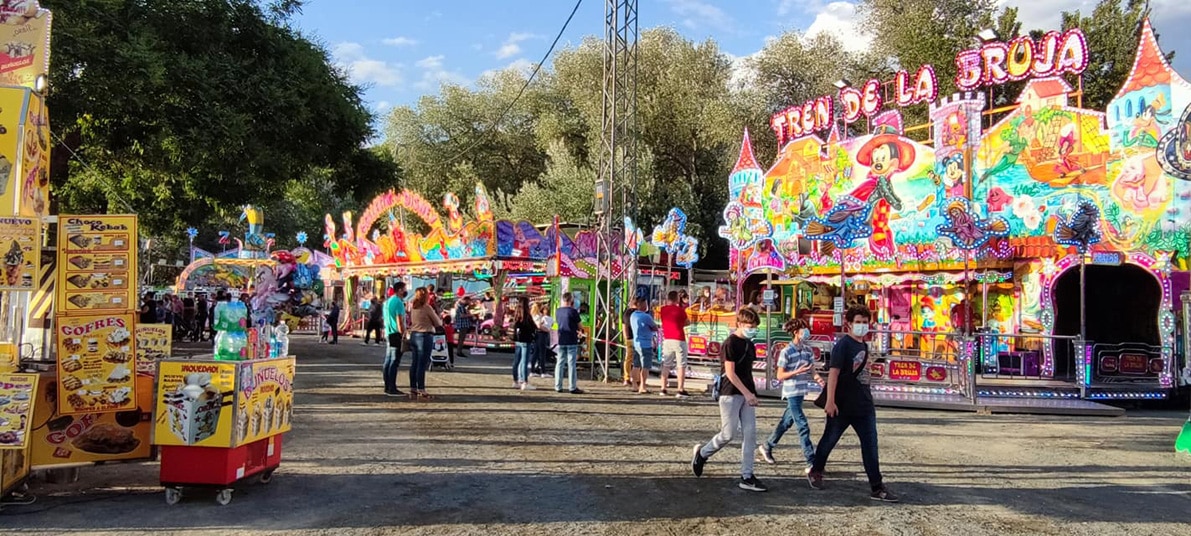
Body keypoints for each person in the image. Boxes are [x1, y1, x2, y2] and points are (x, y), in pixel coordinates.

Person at [807, 306, 898, 502]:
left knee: (870, 446)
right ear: (849, 323)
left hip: (864, 404)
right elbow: (833, 374)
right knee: (829, 440)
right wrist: (830, 401)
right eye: (859, 322)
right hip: (842, 404)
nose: (862, 326)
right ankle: (816, 471)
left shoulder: (863, 346)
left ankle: (876, 486)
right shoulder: (843, 345)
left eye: (865, 322)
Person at [691, 307, 767, 492]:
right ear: (740, 324)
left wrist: (752, 393)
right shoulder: (730, 343)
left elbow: (747, 371)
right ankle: (702, 453)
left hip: (747, 393)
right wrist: (747, 393)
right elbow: (730, 373)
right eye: (750, 325)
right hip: (730, 393)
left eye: (755, 326)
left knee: (750, 434)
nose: (753, 329)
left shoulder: (750, 344)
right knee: (728, 434)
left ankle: (747, 475)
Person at [758, 318, 824, 473]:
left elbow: (812, 370)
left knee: (787, 422)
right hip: (791, 391)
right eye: (804, 329)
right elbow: (780, 375)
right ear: (796, 332)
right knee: (802, 425)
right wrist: (797, 371)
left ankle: (767, 445)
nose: (806, 332)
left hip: (801, 391)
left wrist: (819, 379)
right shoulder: (786, 351)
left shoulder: (807, 351)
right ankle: (811, 460)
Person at [407, 287, 442, 400]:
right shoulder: (427, 307)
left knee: (414, 363)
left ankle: (413, 388)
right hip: (424, 335)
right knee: (422, 364)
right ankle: (421, 389)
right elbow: (437, 322)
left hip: (414, 335)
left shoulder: (413, 306)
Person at [659, 290, 691, 398]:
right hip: (679, 339)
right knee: (681, 365)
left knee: (666, 364)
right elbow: (687, 322)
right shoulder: (680, 310)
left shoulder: (662, 310)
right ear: (677, 299)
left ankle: (663, 388)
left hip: (667, 339)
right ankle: (680, 389)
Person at [554, 293, 583, 394]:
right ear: (571, 301)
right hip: (571, 340)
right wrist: (580, 331)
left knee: (560, 363)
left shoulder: (558, 311)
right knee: (571, 364)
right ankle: (572, 386)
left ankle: (558, 386)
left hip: (561, 340)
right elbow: (580, 326)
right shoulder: (573, 312)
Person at [382, 283, 408, 396]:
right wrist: (403, 333)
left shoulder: (387, 302)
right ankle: (392, 387)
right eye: (405, 289)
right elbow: (399, 320)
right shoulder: (398, 302)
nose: (406, 291)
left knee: (388, 360)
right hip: (396, 333)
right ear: (400, 290)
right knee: (394, 361)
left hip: (388, 332)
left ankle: (387, 385)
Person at [629, 299, 658, 395]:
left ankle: (634, 385)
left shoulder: (633, 315)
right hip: (645, 344)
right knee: (645, 366)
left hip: (636, 343)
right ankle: (643, 386)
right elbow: (655, 328)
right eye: (645, 304)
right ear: (640, 305)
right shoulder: (646, 317)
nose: (647, 306)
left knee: (636, 365)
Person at [511, 297, 537, 390]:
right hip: (526, 339)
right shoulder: (526, 315)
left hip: (518, 340)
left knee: (516, 361)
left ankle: (515, 381)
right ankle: (524, 382)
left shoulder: (517, 313)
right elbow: (533, 326)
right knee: (524, 361)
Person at [532, 302, 553, 378]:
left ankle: (533, 370)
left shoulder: (536, 316)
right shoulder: (538, 316)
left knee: (536, 352)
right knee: (542, 353)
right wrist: (547, 330)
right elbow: (539, 326)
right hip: (542, 335)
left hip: (537, 335)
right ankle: (543, 371)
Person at [621, 298, 637, 388]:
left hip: (629, 338)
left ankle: (626, 378)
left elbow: (624, 326)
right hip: (637, 338)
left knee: (628, 359)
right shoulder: (638, 313)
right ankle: (636, 379)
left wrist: (626, 337)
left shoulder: (626, 313)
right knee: (638, 359)